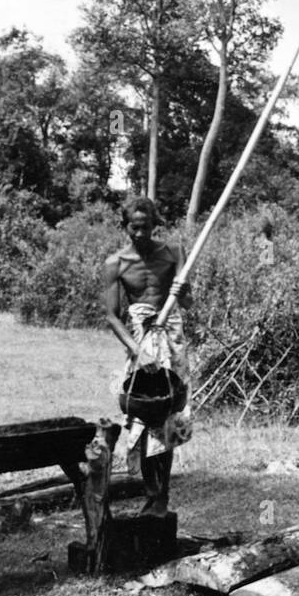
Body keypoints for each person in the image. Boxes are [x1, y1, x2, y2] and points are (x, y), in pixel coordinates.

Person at [104, 197, 192, 516]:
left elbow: (189, 302)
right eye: (133, 227)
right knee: (143, 412)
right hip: (140, 340)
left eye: (145, 226)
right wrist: (137, 352)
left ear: (155, 224)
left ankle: (161, 495)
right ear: (125, 226)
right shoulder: (116, 262)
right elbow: (112, 316)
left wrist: (183, 293)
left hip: (171, 334)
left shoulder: (173, 254)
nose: (139, 233)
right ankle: (151, 492)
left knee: (168, 413)